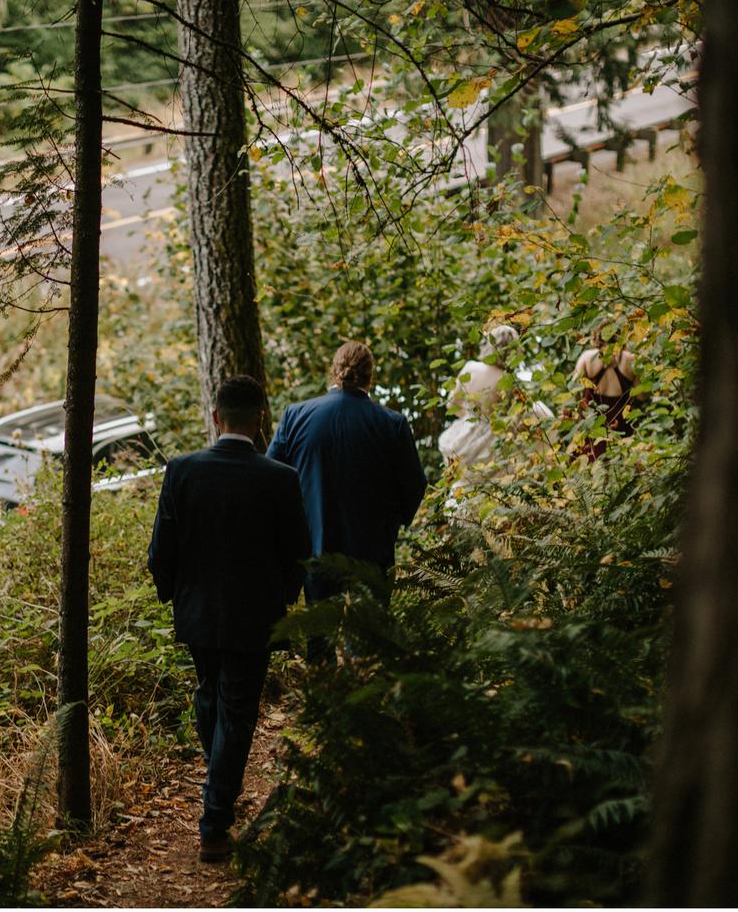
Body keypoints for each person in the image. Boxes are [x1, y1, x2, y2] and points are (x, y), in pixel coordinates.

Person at [147, 375, 310, 863]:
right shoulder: (280, 478)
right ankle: (215, 823)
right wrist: (279, 598)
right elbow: (299, 554)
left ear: (216, 417)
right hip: (254, 617)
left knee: (210, 695)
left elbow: (161, 551)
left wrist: (174, 595)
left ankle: (218, 779)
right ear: (260, 419)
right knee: (235, 710)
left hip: (197, 613)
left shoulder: (182, 470)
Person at [266, 341, 426, 652]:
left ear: (334, 370)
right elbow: (414, 484)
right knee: (369, 642)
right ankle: (363, 693)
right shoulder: (391, 423)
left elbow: (273, 477)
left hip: (315, 544)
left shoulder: (296, 415)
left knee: (319, 639)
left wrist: (291, 526)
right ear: (371, 376)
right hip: (372, 548)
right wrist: (394, 523)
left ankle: (323, 695)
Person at [438, 325, 554, 495]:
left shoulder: (471, 368)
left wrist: (471, 418)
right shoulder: (508, 381)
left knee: (464, 486)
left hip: (465, 434)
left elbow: (452, 406)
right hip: (492, 442)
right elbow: (521, 417)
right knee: (491, 491)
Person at [572, 331, 638, 460]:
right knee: (621, 462)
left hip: (593, 419)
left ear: (596, 337)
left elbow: (574, 388)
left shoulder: (587, 357)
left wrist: (580, 414)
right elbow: (640, 395)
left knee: (590, 463)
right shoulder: (630, 359)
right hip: (620, 420)